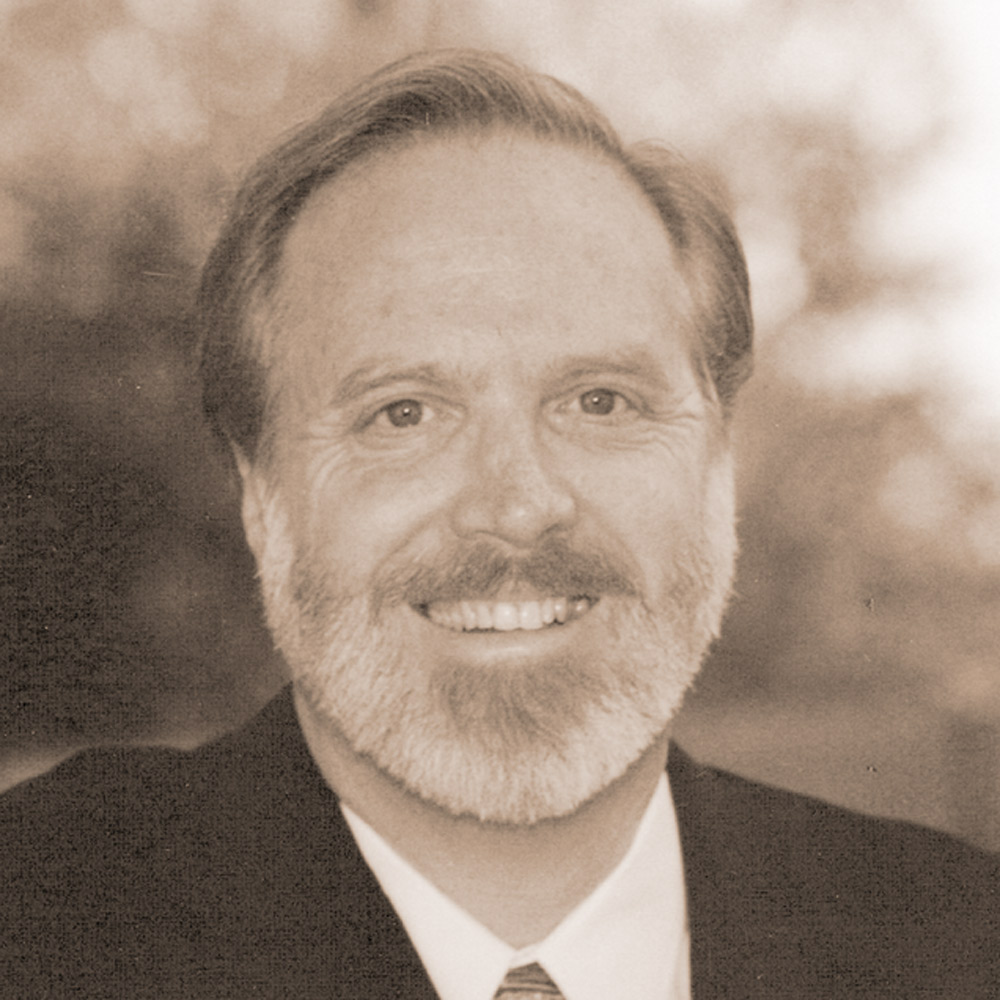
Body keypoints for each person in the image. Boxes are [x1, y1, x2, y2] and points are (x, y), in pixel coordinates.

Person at [3, 49, 997, 1000]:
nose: (517, 506)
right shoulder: (38, 932)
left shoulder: (961, 943)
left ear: (716, 460)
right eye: (404, 413)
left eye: (601, 401)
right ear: (261, 493)